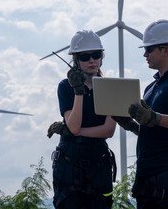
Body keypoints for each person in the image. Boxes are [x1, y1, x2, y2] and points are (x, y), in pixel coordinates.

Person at [114, 19, 168, 209]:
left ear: (167, 49)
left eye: (149, 49)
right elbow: (158, 128)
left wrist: (154, 118)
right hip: (148, 176)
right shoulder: (150, 87)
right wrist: (133, 126)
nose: (145, 54)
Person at [47, 30, 117, 209]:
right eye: (85, 57)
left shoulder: (110, 87)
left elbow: (108, 130)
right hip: (70, 166)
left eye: (96, 55)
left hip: (99, 166)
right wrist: (78, 91)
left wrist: (68, 129)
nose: (92, 60)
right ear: (76, 60)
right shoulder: (65, 87)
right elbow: (75, 125)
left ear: (102, 56)